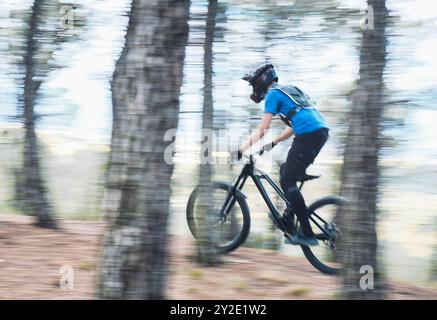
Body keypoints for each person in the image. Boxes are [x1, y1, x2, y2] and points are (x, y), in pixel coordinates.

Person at [235, 64, 329, 246]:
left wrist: (242, 149)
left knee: (287, 180)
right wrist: (274, 142)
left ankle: (307, 234)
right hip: (318, 131)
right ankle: (288, 218)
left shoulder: (272, 95)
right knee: (286, 171)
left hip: (309, 134)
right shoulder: (290, 90)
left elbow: (263, 128)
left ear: (261, 83)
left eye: (255, 86)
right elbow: (295, 123)